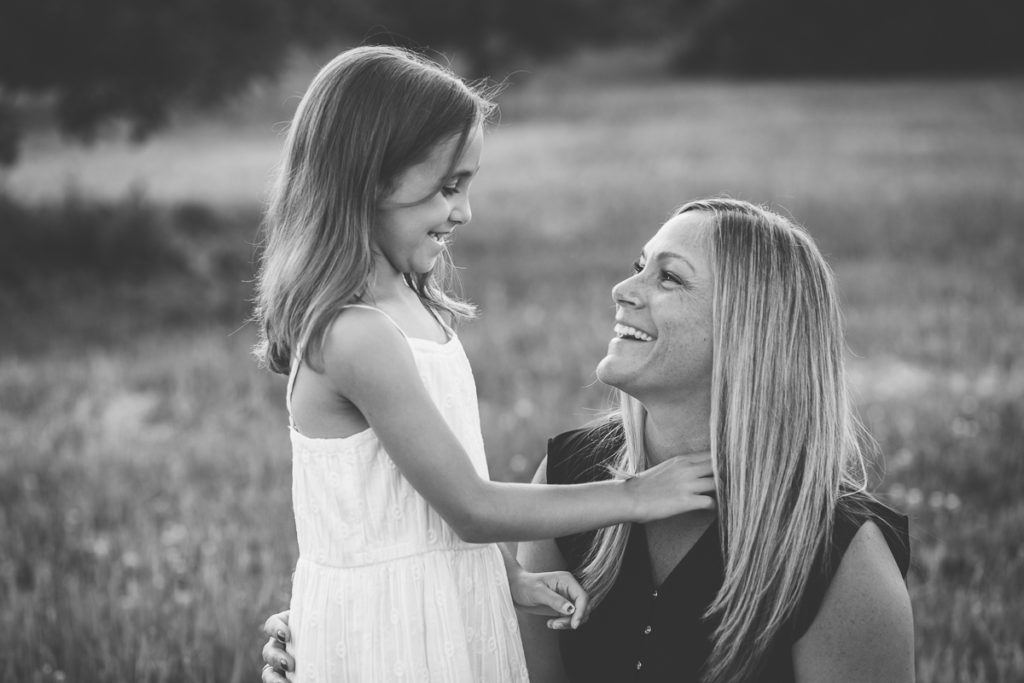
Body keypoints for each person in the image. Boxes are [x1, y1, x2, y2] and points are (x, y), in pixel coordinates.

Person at [262, 198, 914, 683]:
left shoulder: (838, 552)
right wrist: (349, 644)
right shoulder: (572, 475)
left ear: (751, 332)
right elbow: (502, 664)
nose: (623, 290)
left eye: (670, 277)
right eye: (638, 267)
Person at [252, 46, 716, 683]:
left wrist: (510, 577)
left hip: (441, 605)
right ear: (373, 178)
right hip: (388, 634)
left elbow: (435, 491)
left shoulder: (411, 308)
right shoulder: (355, 334)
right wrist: (636, 495)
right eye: (448, 187)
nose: (464, 212)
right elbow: (469, 505)